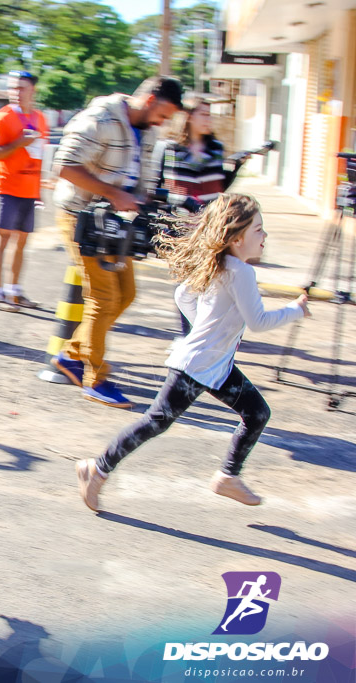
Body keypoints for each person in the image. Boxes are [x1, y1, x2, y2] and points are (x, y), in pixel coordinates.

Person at [75, 194, 310, 512]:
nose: (265, 236)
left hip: (216, 366)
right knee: (155, 422)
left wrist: (202, 330)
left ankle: (227, 477)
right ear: (237, 239)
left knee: (257, 414)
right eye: (258, 229)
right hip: (197, 366)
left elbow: (183, 294)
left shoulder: (223, 263)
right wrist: (295, 310)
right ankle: (96, 469)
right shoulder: (241, 272)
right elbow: (258, 322)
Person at [49, 76, 183, 409]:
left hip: (116, 224)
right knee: (103, 296)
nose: (163, 123)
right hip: (82, 217)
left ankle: (72, 356)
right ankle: (95, 380)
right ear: (150, 99)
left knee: (125, 294)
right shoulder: (102, 118)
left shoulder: (148, 130)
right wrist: (114, 193)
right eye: (163, 114)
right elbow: (63, 166)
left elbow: (143, 180)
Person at [157, 95, 239, 337]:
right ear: (189, 117)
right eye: (204, 113)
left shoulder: (215, 148)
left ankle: (200, 334)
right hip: (181, 226)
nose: (209, 119)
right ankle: (188, 336)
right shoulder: (171, 148)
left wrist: (236, 168)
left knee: (207, 283)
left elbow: (219, 185)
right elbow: (164, 185)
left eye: (210, 114)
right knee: (185, 285)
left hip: (209, 225)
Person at [0, 70, 49, 310]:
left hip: (28, 190)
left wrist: (39, 190)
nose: (15, 93)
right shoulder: (1, 117)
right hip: (5, 187)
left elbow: (40, 154)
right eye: (12, 88)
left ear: (33, 90)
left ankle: (15, 292)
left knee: (22, 243)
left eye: (21, 88)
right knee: (1, 241)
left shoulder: (40, 118)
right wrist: (19, 143)